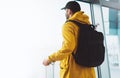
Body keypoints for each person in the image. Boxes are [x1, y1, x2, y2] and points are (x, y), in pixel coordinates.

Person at [43, 1, 96, 78]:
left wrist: (50, 58)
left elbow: (68, 47)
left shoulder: (69, 25)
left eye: (65, 11)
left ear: (69, 11)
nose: (65, 13)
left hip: (73, 71)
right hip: (88, 69)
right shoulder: (87, 25)